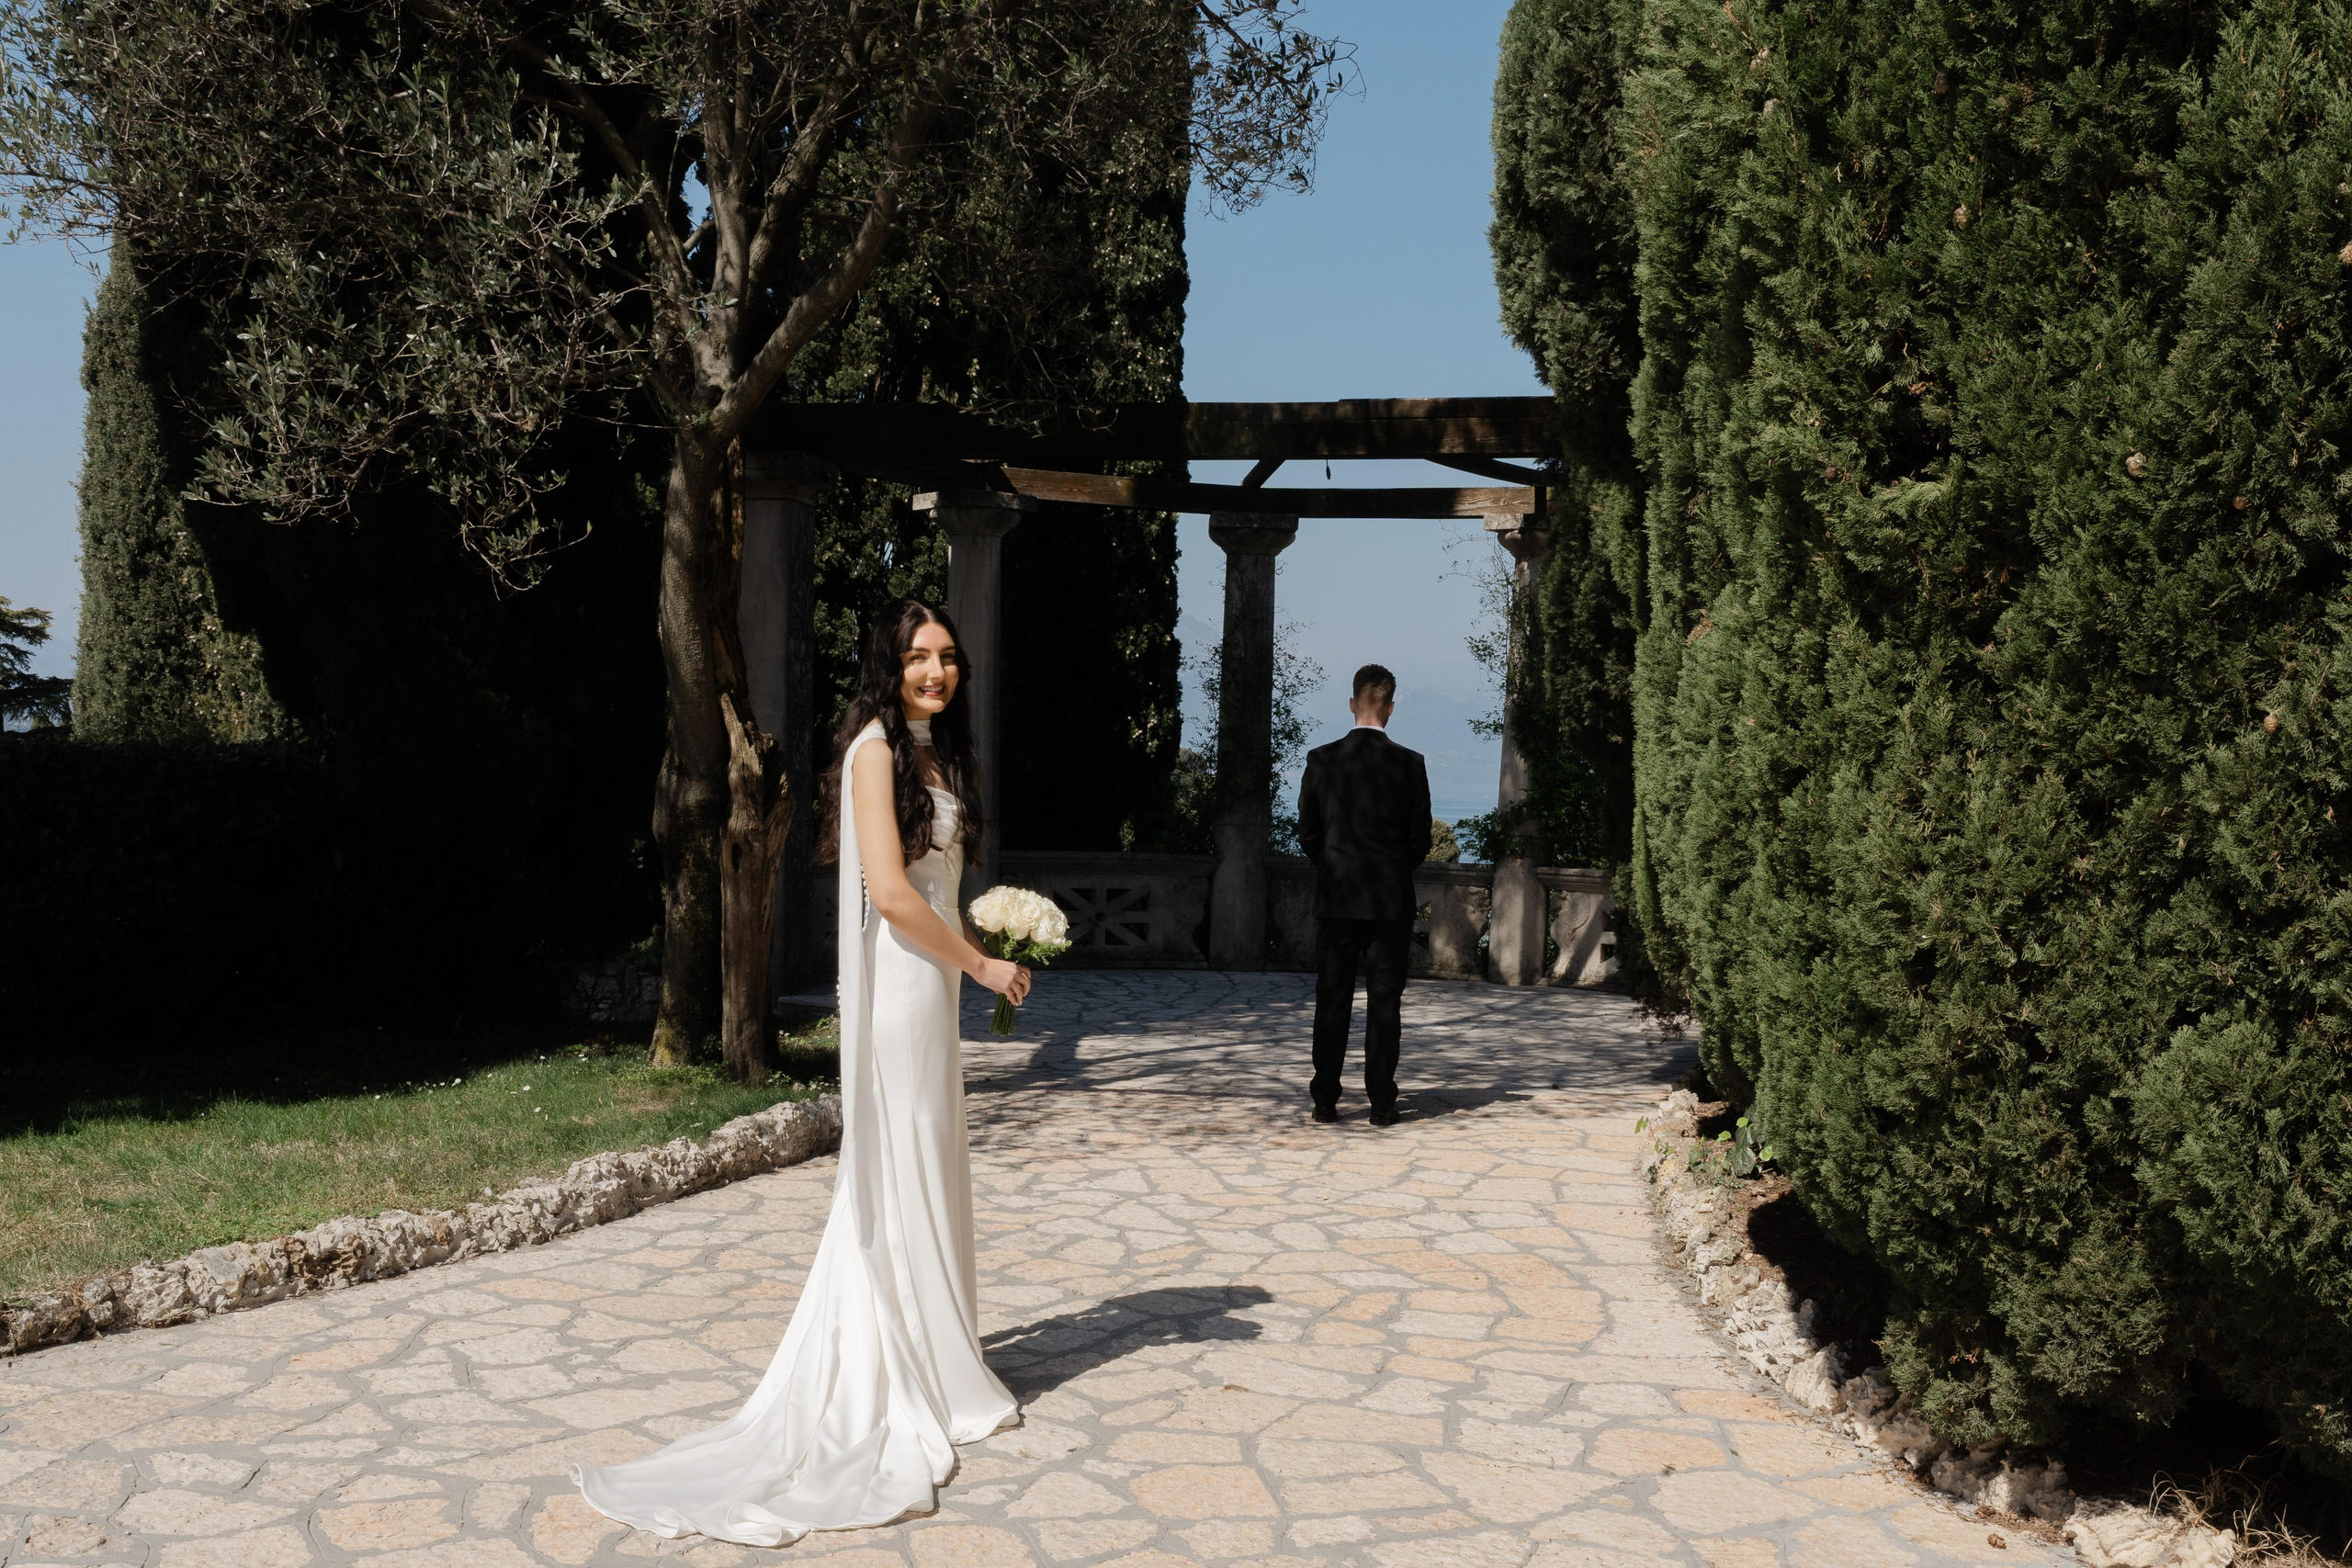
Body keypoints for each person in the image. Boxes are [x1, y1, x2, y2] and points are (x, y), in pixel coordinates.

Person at [574, 598, 1031, 1546]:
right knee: (900, 1160)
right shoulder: (872, 750)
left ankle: (942, 1357)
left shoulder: (931, 752)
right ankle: (906, 1369)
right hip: (907, 988)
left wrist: (985, 939)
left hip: (935, 986)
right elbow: (894, 893)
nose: (936, 672)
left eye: (947, 658)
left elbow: (937, 884)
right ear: (888, 664)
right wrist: (981, 963)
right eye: (919, 658)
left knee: (932, 1159)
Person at [1295, 662, 1431, 1127]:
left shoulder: (1321, 760)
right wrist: (1392, 872)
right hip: (1389, 903)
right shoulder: (1411, 764)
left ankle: (1325, 1100)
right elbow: (1419, 842)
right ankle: (1381, 1102)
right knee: (1385, 1001)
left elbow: (1308, 834)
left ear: (1352, 704)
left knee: (1331, 997)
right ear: (1390, 708)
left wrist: (1333, 868)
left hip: (1336, 899)